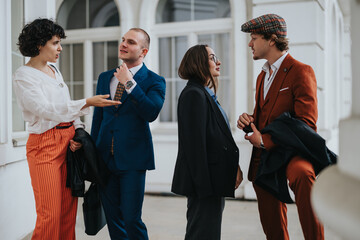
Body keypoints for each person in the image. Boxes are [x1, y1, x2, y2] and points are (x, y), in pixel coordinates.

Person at [13, 18, 120, 240]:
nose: (60, 48)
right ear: (39, 44)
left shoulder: (54, 71)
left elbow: (65, 103)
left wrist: (79, 131)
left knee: (67, 211)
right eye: (55, 43)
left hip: (68, 141)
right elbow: (44, 109)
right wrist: (87, 102)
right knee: (50, 214)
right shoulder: (24, 76)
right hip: (44, 145)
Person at [237, 14, 324, 240]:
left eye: (254, 38)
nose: (250, 43)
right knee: (272, 224)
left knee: (304, 175)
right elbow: (264, 115)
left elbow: (306, 124)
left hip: (292, 152)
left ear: (272, 40)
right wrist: (249, 122)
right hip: (265, 156)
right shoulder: (261, 76)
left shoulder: (301, 71)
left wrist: (266, 141)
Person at [91, 28, 166, 240]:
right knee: (113, 219)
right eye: (123, 40)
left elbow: (151, 112)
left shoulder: (155, 81)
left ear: (143, 51)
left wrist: (129, 83)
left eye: (131, 42)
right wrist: (92, 153)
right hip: (105, 159)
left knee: (132, 219)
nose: (123, 44)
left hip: (133, 160)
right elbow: (99, 118)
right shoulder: (105, 77)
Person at [171, 44, 243, 240]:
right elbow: (195, 147)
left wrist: (233, 167)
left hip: (214, 180)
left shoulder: (204, 93)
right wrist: (204, 190)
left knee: (208, 234)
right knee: (202, 234)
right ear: (199, 63)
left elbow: (217, 137)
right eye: (212, 58)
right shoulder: (194, 94)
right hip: (205, 184)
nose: (218, 62)